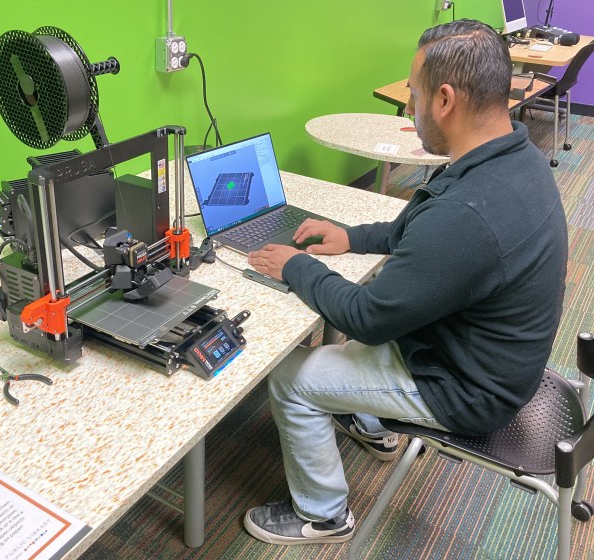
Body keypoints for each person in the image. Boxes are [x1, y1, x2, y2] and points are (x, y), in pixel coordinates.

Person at [243, 19, 568, 546]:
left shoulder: (468, 214)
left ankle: (324, 514)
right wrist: (351, 237)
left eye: (413, 95)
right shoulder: (512, 155)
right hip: (487, 351)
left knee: (292, 379)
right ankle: (374, 423)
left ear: (444, 100)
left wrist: (297, 267)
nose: (410, 109)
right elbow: (422, 233)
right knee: (386, 314)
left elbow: (368, 319)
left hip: (470, 390)